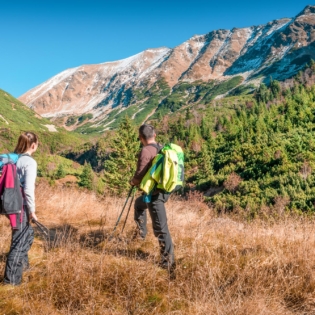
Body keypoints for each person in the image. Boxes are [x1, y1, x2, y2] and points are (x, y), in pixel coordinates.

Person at [130, 124, 175, 272]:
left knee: (161, 229)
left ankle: (168, 263)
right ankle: (140, 234)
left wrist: (133, 182)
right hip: (164, 191)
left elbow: (139, 174)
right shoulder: (162, 148)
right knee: (139, 204)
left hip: (155, 195)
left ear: (141, 138)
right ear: (154, 135)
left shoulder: (145, 151)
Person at [3, 132, 39, 285]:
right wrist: (32, 211)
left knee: (25, 234)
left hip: (10, 202)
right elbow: (28, 189)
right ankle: (10, 282)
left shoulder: (14, 159)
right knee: (20, 241)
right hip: (21, 205)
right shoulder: (30, 162)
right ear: (33, 145)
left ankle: (24, 267)